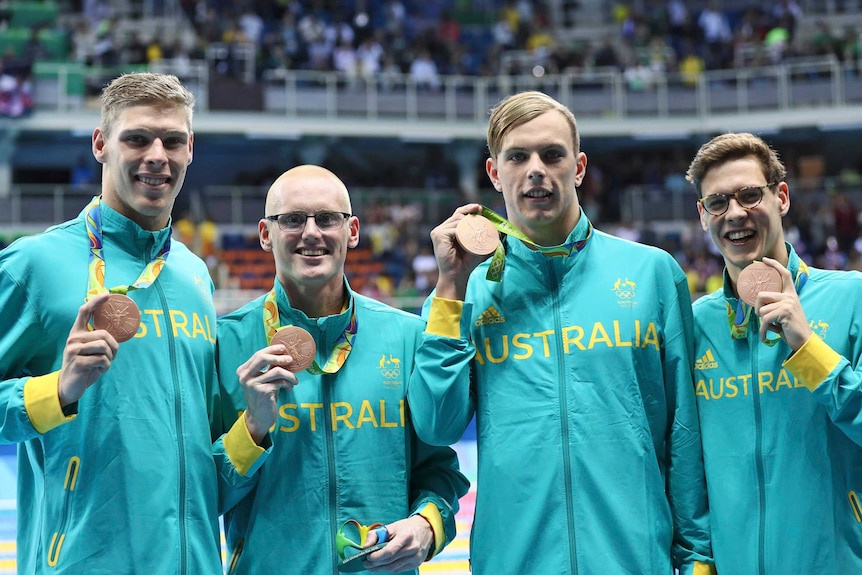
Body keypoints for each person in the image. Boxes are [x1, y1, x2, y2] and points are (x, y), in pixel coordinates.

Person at [407, 90, 715, 574]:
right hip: (514, 561)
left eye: (552, 155)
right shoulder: (463, 294)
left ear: (579, 167)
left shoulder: (651, 273)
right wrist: (450, 287)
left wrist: (698, 558)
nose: (536, 169)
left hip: (633, 559)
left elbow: (683, 430)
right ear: (493, 172)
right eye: (518, 156)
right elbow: (437, 425)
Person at [0, 72, 222, 573]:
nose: (157, 156)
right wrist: (57, 390)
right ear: (101, 144)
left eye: (173, 141)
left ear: (191, 150)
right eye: (137, 138)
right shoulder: (32, 266)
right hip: (83, 560)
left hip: (194, 560)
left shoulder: (193, 274)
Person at [213, 164, 469, 574]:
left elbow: (437, 470)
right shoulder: (224, 344)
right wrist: (252, 429)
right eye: (293, 219)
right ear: (266, 234)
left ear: (352, 231)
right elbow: (202, 495)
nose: (311, 232)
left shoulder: (406, 337)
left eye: (327, 218)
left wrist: (426, 526)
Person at [685, 132, 862, 573]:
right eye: (718, 202)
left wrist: (807, 346)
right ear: (703, 216)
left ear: (781, 197)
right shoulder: (694, 324)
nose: (736, 214)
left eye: (749, 195)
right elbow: (686, 463)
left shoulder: (852, 299)